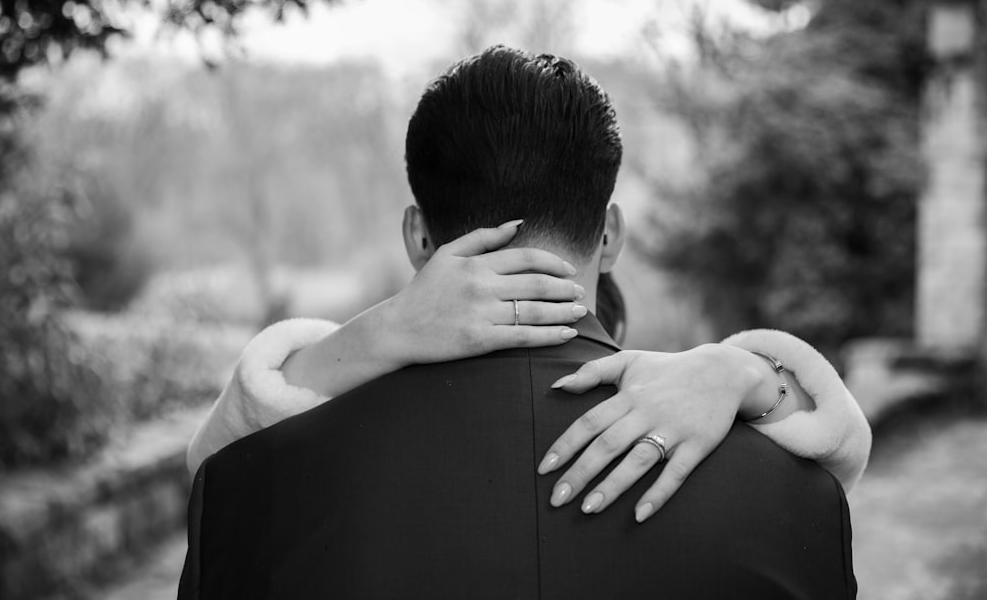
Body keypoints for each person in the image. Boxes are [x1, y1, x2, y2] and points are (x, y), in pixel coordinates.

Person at [179, 46, 863, 598]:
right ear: (611, 234)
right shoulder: (796, 500)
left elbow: (227, 454)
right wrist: (751, 375)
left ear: (418, 235)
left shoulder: (251, 495)